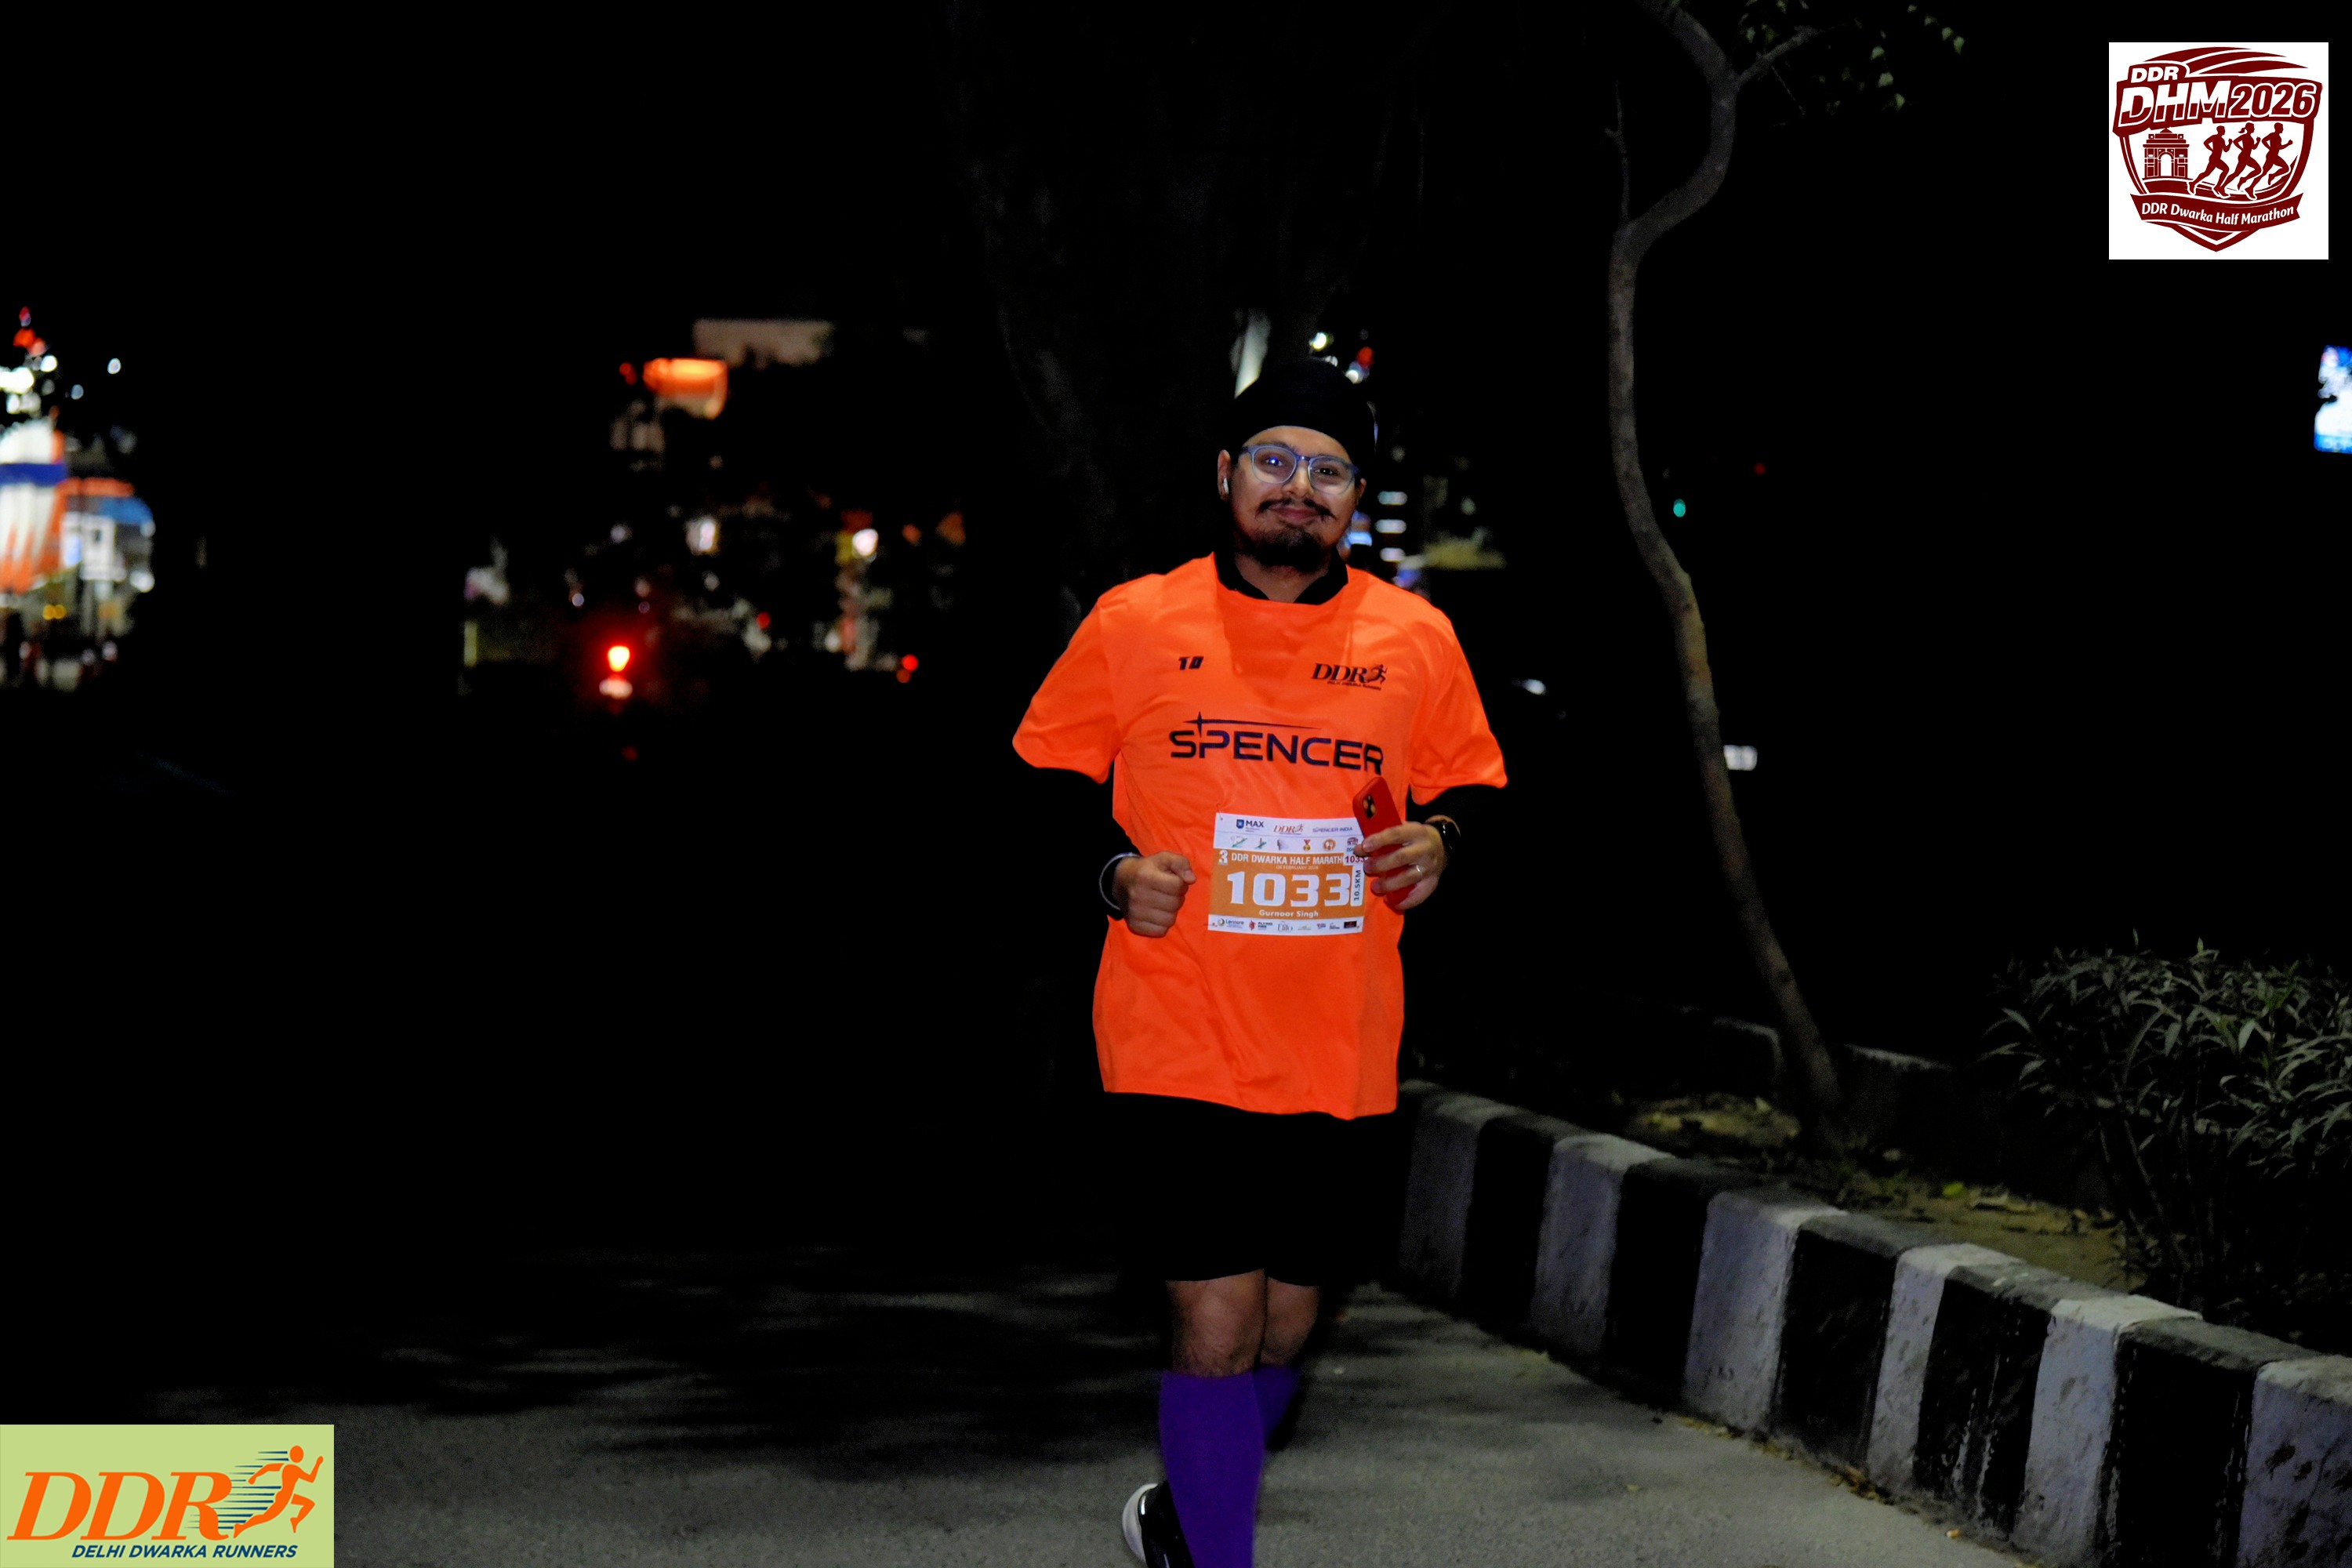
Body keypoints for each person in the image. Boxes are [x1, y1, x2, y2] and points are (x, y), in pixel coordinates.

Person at [1012, 359, 1507, 1568]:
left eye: (1329, 470)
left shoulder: (1415, 636)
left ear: (1356, 499)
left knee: (1286, 1325)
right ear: (1227, 474)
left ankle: (1186, 1510)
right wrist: (1111, 873)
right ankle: (1216, 1548)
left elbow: (1477, 791)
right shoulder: (1137, 622)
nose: (1301, 487)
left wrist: (1440, 843)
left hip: (1340, 1048)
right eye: (1276, 461)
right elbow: (1039, 789)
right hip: (1175, 1035)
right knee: (1219, 1318)